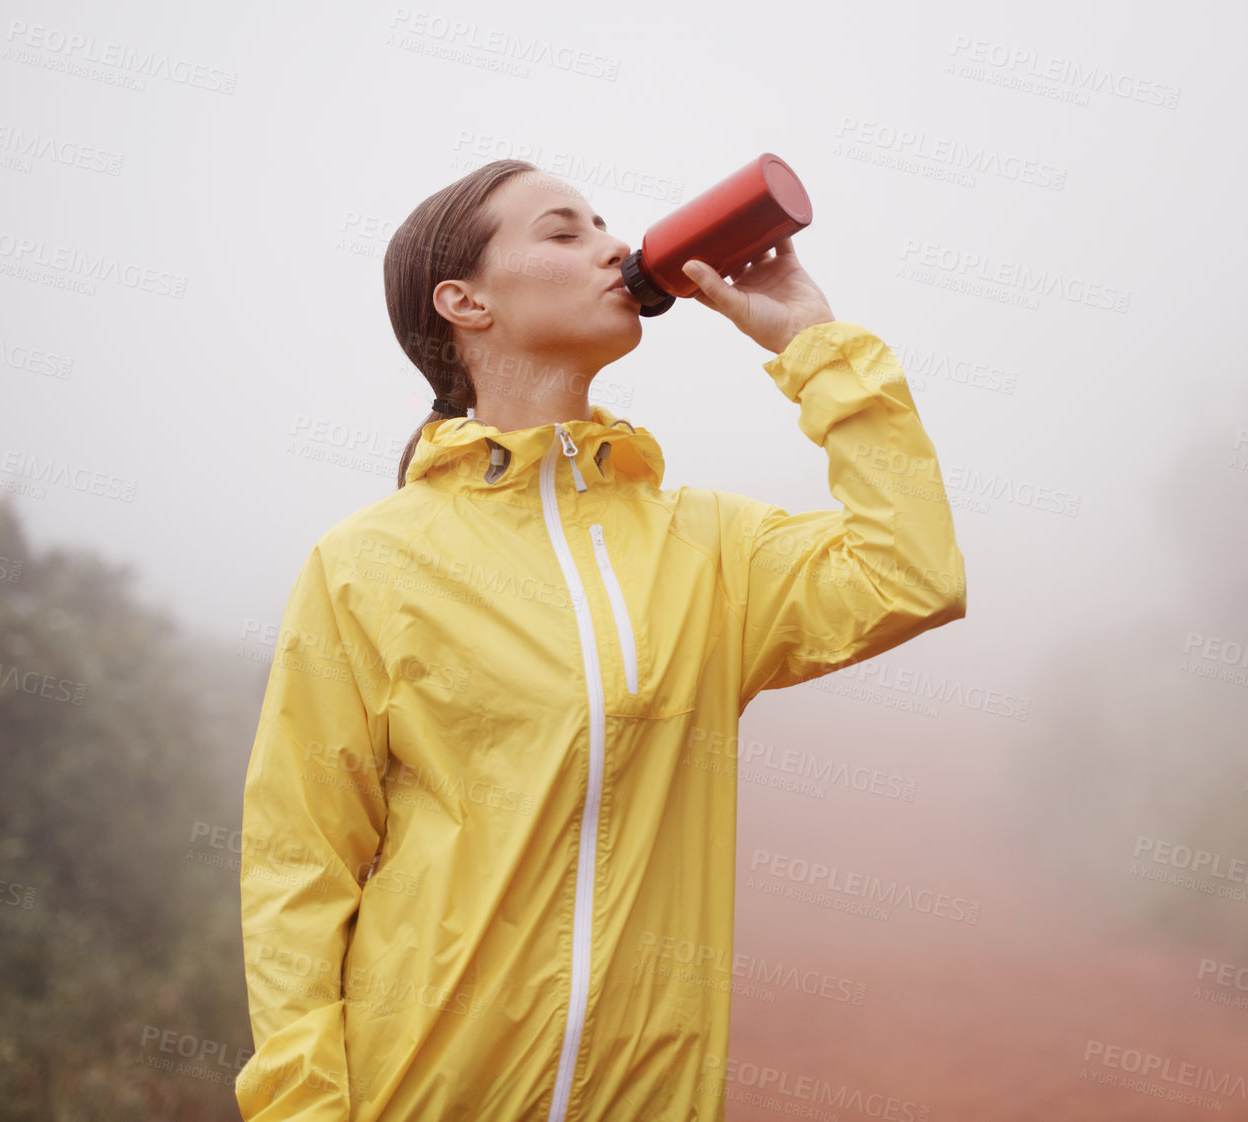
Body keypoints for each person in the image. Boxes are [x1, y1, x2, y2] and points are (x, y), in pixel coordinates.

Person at [234, 159, 967, 1121]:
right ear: (464, 302)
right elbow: (300, 865)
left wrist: (815, 346)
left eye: (605, 224)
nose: (615, 248)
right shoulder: (367, 564)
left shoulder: (707, 548)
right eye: (563, 231)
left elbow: (912, 573)